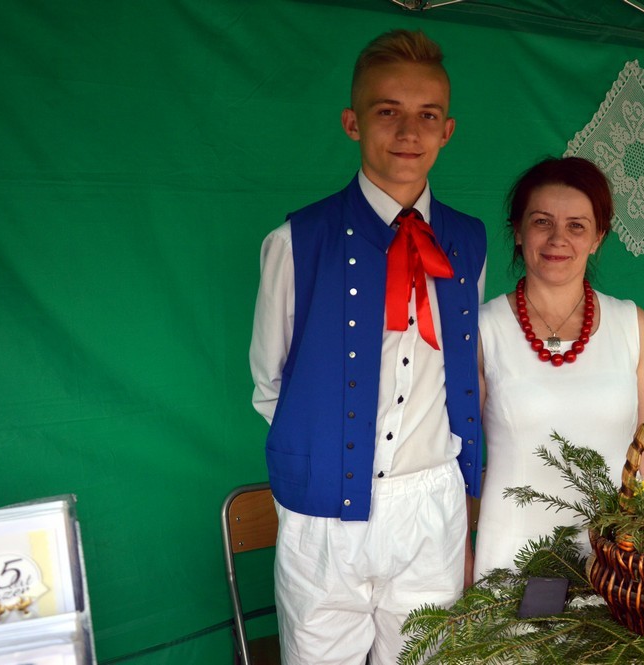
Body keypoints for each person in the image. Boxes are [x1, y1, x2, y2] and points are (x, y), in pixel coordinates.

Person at [249, 30, 486, 664]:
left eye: (427, 115)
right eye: (388, 111)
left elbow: (463, 368)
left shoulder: (469, 242)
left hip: (431, 508)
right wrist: (324, 462)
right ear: (353, 123)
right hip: (323, 515)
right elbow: (271, 383)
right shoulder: (295, 242)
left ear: (447, 131)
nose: (408, 131)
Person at [472, 156, 644, 581]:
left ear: (598, 237)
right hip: (508, 557)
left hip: (613, 560)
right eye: (542, 222)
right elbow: (459, 457)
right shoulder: (483, 328)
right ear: (518, 231)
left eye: (576, 226)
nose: (558, 238)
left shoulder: (633, 325)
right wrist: (461, 556)